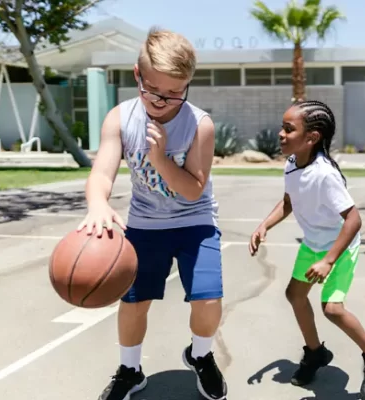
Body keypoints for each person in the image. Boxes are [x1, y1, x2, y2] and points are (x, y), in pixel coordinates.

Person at [77, 27, 227, 400]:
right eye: (153, 90)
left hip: (196, 221)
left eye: (175, 92)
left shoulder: (199, 124)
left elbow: (193, 187)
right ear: (137, 75)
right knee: (133, 302)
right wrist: (98, 203)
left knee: (208, 300)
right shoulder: (120, 118)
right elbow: (101, 173)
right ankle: (130, 369)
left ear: (188, 83)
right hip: (145, 224)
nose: (162, 101)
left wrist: (159, 159)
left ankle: (201, 356)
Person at [248, 100, 365, 397]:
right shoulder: (292, 164)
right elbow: (288, 201)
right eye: (282, 127)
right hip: (314, 244)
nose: (281, 134)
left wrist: (328, 260)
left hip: (339, 247)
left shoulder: (325, 174)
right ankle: (315, 353)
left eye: (289, 129)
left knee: (332, 309)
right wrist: (264, 225)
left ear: (311, 138)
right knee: (295, 294)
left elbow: (354, 219)